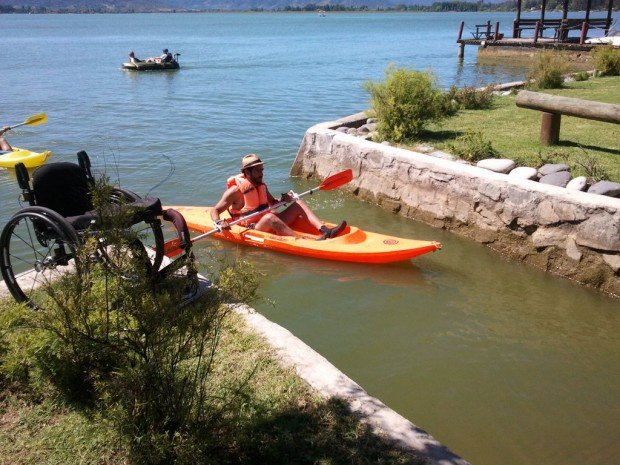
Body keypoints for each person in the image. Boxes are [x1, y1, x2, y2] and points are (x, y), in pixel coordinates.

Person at [211, 154, 346, 240]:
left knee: (298, 202)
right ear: (247, 172)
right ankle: (303, 240)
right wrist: (218, 222)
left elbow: (272, 202)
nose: (261, 173)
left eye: (261, 170)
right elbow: (215, 210)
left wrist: (283, 199)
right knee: (270, 217)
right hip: (253, 227)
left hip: (268, 221)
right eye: (257, 170)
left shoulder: (261, 185)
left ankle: (326, 231)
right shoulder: (235, 191)